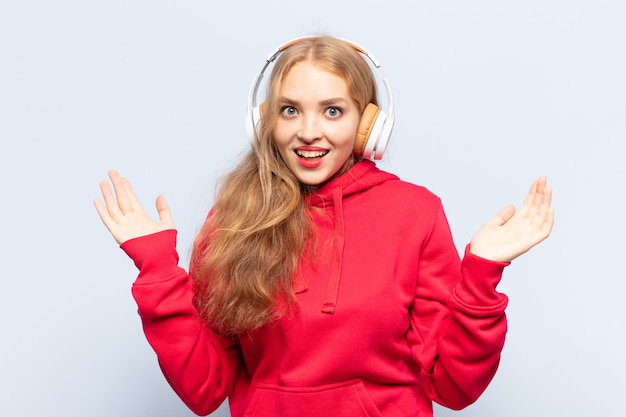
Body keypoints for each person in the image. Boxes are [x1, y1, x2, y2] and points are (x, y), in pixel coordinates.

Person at [94, 35, 554, 417]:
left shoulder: (415, 213)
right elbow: (203, 389)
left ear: (366, 125)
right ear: (265, 122)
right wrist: (156, 270)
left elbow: (454, 388)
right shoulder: (233, 219)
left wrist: (482, 276)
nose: (308, 131)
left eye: (332, 111)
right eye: (290, 110)